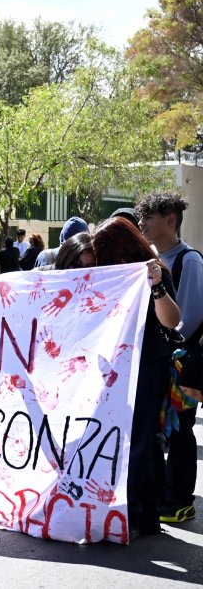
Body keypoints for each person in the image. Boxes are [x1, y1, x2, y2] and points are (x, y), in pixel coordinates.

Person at [92, 216, 181, 537]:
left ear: (124, 248)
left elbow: (172, 321)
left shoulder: (154, 271)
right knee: (124, 438)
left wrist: (155, 286)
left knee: (140, 439)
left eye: (108, 251)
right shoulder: (108, 275)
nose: (105, 259)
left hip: (147, 366)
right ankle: (137, 510)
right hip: (116, 367)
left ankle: (140, 512)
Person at [136, 192, 203, 525]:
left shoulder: (188, 259)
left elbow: (188, 318)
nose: (142, 224)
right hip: (158, 364)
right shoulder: (146, 258)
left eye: (149, 217)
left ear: (170, 219)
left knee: (180, 432)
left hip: (181, 366)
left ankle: (180, 500)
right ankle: (163, 496)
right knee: (161, 433)